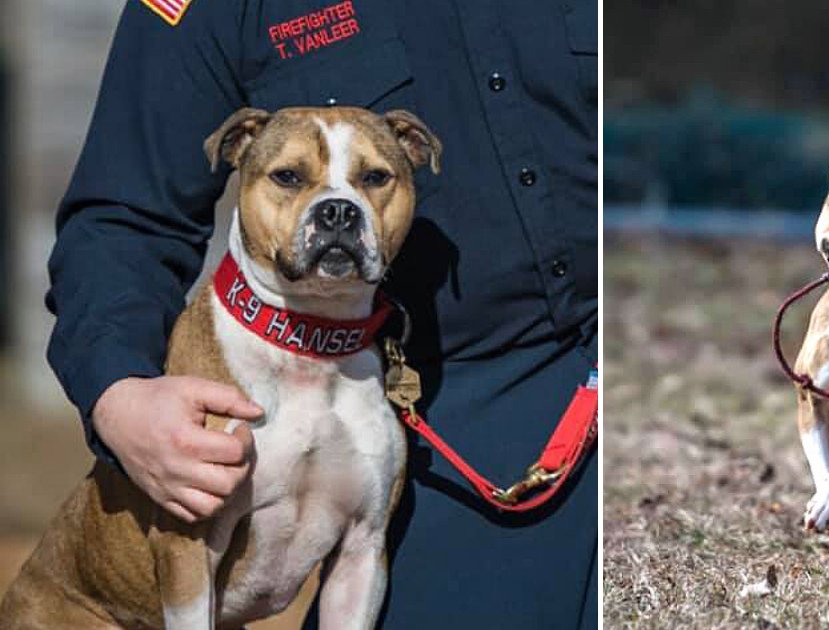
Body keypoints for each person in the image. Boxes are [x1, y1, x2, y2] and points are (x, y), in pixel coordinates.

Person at [45, 1, 598, 627]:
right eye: (290, 178)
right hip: (447, 405)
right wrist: (117, 393)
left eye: (369, 181)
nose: (338, 206)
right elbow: (124, 216)